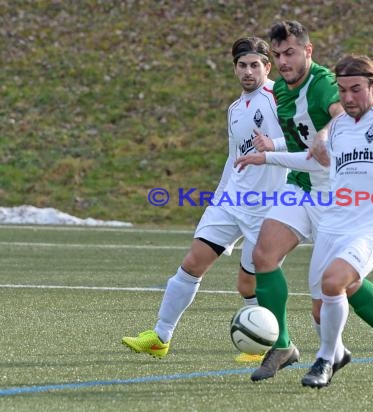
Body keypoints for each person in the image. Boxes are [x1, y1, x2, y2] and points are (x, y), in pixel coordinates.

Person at [236, 54, 373, 387]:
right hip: (334, 223)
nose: (348, 98)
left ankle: (326, 360)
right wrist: (266, 157)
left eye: (356, 89)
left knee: (333, 282)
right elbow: (316, 163)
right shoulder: (338, 127)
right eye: (342, 91)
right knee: (333, 297)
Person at [121, 37, 288, 361]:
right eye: (242, 65)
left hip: (269, 207)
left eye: (255, 65)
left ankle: (264, 345)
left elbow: (302, 138)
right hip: (231, 200)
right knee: (192, 263)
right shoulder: (235, 109)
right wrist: (220, 194)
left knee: (247, 284)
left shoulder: (278, 97)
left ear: (268, 67)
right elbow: (233, 156)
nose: (248, 71)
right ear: (235, 69)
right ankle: (160, 336)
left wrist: (275, 144)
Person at [244, 20, 346, 382]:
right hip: (300, 186)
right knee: (262, 255)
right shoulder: (283, 93)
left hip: (335, 195)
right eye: (278, 55)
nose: (283, 62)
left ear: (308, 50)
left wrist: (324, 132)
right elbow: (301, 142)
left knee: (334, 294)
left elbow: (343, 116)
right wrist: (272, 147)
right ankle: (283, 345)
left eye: (290, 53)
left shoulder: (322, 85)